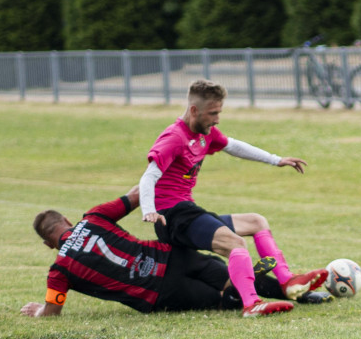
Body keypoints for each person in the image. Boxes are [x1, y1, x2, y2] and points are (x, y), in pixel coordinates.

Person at [138, 80, 328, 318]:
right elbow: (149, 176)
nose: (217, 119)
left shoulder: (204, 134)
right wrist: (148, 210)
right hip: (173, 217)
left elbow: (233, 146)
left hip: (189, 213)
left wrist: (275, 159)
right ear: (194, 110)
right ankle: (251, 304)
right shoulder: (175, 137)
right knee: (236, 244)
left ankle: (287, 282)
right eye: (213, 113)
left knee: (256, 222)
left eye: (219, 112)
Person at [21, 187, 331, 318]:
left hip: (159, 293)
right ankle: (295, 290)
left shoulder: (59, 271)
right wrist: (157, 169)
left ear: (48, 243)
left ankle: (278, 294)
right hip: (170, 255)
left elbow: (53, 309)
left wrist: (38, 310)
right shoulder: (94, 217)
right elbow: (137, 195)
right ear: (65, 221)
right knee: (234, 280)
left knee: (224, 301)